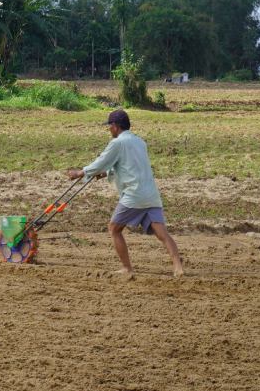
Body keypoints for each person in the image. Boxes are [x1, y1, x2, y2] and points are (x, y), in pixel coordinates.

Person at [66, 109, 184, 278]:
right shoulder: (139, 141)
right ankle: (178, 267)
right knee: (162, 233)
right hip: (150, 194)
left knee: (114, 228)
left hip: (134, 194)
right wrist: (107, 174)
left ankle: (126, 267)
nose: (109, 130)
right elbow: (129, 165)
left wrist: (81, 172)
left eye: (109, 126)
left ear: (115, 126)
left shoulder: (118, 143)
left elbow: (102, 161)